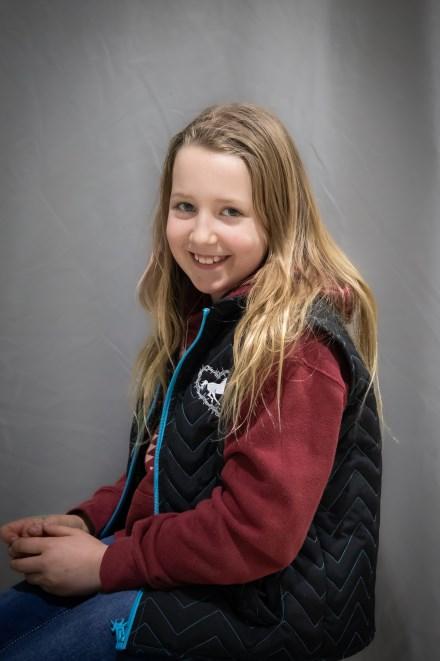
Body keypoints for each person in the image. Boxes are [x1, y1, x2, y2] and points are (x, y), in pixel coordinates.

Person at [0, 102, 383, 661]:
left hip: (269, 610)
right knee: (14, 619)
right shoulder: (208, 321)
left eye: (230, 212)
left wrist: (104, 562)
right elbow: (165, 469)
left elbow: (254, 532)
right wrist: (87, 522)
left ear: (279, 218)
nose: (202, 234)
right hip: (199, 577)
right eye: (185, 206)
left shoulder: (295, 347)